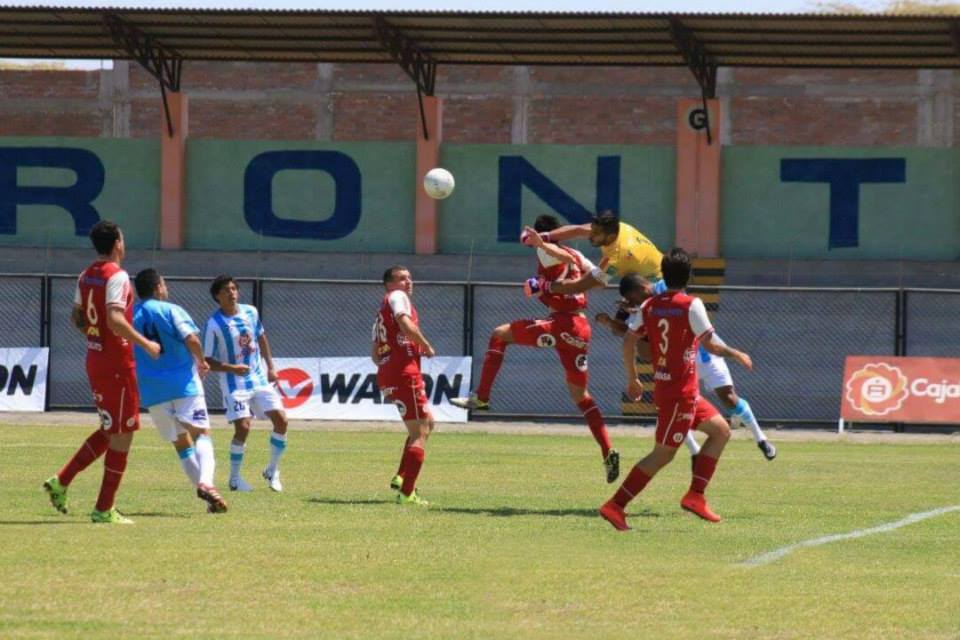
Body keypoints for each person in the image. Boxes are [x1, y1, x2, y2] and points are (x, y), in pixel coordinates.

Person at [528, 210, 776, 461]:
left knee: (705, 393)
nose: (591, 236)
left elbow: (587, 285)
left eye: (597, 234)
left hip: (670, 303)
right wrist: (545, 237)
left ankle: (752, 440)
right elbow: (580, 230)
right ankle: (695, 452)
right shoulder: (618, 234)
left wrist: (549, 286)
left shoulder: (626, 266)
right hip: (664, 310)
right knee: (671, 395)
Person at [451, 214, 621, 483]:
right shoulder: (576, 255)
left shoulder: (547, 252)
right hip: (581, 330)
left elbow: (551, 251)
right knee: (581, 396)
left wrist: (542, 246)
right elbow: (599, 280)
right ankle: (607, 450)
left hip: (561, 324)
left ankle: (481, 396)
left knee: (499, 335)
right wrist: (606, 264)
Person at [599, 248, 753, 531]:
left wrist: (633, 379)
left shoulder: (650, 306)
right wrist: (736, 353)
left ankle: (695, 496)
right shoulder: (691, 304)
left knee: (720, 431)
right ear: (689, 276)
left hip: (681, 389)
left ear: (663, 275)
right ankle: (615, 505)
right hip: (678, 394)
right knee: (663, 454)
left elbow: (629, 342)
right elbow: (710, 345)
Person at [43, 220, 161, 524]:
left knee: (111, 428)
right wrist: (146, 343)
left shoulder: (86, 275)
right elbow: (114, 319)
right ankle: (103, 508)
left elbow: (76, 317)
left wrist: (95, 338)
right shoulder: (118, 276)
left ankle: (62, 480)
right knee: (123, 434)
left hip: (95, 359)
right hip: (117, 364)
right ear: (118, 243)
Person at [132, 268, 227, 514]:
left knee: (181, 443)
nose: (166, 288)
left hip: (152, 389)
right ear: (158, 288)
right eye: (164, 283)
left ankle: (209, 499)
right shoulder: (171, 310)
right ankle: (206, 483)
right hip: (183, 384)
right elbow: (192, 339)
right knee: (201, 433)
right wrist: (201, 361)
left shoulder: (130, 316)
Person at [203, 275, 288, 493]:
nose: (231, 293)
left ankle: (272, 470)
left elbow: (261, 337)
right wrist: (233, 368)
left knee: (282, 420)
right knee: (243, 427)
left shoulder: (251, 311)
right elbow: (208, 361)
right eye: (225, 290)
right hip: (234, 383)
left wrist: (271, 366)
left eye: (233, 289)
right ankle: (234, 479)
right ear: (217, 296)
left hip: (258, 378)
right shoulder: (214, 324)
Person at [373, 266, 436, 507]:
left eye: (410, 277)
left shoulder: (381, 311)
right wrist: (425, 345)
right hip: (404, 373)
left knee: (427, 423)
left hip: (388, 374)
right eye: (402, 278)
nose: (408, 282)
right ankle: (407, 493)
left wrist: (393, 354)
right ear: (390, 284)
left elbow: (375, 355)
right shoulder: (398, 298)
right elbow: (405, 323)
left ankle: (401, 477)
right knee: (420, 431)